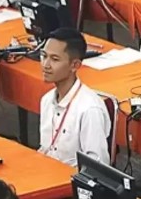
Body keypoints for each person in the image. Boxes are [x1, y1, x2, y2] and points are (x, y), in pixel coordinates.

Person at [39, 28, 111, 167]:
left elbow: (97, 165)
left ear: (75, 65)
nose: (45, 65)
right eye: (44, 56)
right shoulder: (46, 100)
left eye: (54, 59)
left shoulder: (89, 109)